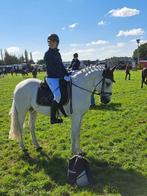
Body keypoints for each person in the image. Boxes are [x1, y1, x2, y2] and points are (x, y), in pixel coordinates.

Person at [44, 34, 70, 124]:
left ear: (56, 43)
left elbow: (61, 66)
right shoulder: (47, 54)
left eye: (51, 41)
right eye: (49, 42)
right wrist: (63, 76)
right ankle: (53, 118)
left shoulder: (58, 53)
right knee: (57, 96)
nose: (50, 43)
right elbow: (52, 70)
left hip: (58, 77)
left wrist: (68, 74)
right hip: (51, 78)